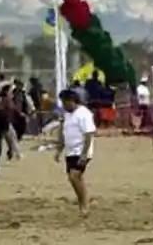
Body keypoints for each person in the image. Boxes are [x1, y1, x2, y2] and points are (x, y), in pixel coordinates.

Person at [56, 88, 95, 216]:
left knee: (74, 176)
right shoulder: (66, 115)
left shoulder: (84, 113)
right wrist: (59, 150)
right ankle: (83, 202)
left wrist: (84, 154)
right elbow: (62, 134)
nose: (64, 106)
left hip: (81, 150)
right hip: (70, 151)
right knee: (74, 178)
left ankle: (84, 205)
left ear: (72, 101)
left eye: (65, 103)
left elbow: (89, 133)